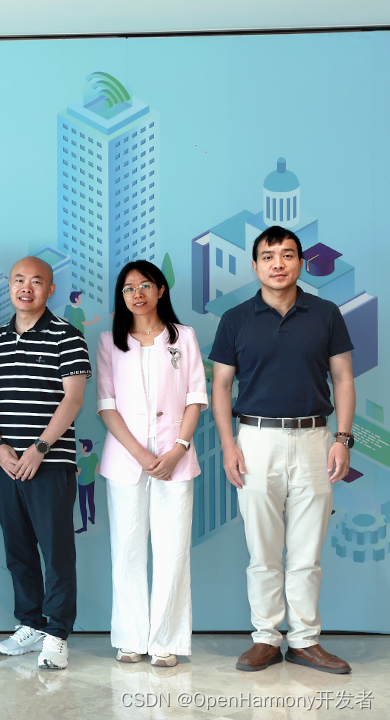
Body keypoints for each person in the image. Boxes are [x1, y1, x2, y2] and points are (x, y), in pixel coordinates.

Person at [210, 226, 354, 674]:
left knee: (307, 552)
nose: (278, 263)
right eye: (269, 256)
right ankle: (266, 638)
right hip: (255, 440)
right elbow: (220, 386)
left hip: (315, 439)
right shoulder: (235, 318)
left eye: (288, 255)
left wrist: (343, 439)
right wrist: (228, 445)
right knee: (264, 552)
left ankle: (306, 640)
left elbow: (343, 378)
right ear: (255, 265)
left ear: (301, 263)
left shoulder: (326, 313)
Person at [0, 256, 90, 670]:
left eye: (37, 281)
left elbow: (73, 400)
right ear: (9, 286)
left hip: (50, 463)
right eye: (19, 280)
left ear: (50, 289)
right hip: (5, 465)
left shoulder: (67, 336)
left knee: (56, 553)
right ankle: (30, 624)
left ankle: (57, 634)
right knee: (18, 550)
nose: (27, 287)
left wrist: (39, 448)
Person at [95, 260, 206, 667]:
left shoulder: (184, 337)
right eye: (128, 288)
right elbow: (106, 405)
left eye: (145, 285)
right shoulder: (109, 341)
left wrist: (178, 448)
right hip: (126, 461)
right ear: (121, 296)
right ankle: (130, 637)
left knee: (172, 550)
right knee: (126, 549)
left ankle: (166, 640)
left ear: (161, 290)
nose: (137, 294)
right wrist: (140, 454)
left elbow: (196, 397)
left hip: (176, 458)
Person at [74, 439, 98, 534]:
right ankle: (92, 518)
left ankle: (84, 526)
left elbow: (77, 473)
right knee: (91, 501)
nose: (80, 447)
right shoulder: (94, 456)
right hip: (91, 481)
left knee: (82, 504)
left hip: (82, 484)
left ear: (85, 448)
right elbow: (97, 469)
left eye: (81, 446)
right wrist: (90, 475)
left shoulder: (81, 460)